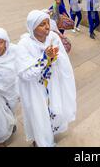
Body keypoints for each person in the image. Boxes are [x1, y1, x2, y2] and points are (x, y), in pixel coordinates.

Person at [16, 10, 76, 147]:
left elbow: (63, 59)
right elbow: (25, 74)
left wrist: (54, 57)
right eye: (42, 24)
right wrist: (45, 59)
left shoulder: (53, 38)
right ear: (32, 27)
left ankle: (47, 135)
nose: (47, 27)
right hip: (35, 89)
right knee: (39, 117)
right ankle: (42, 142)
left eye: (48, 23)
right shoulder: (24, 45)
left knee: (56, 111)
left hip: (53, 84)